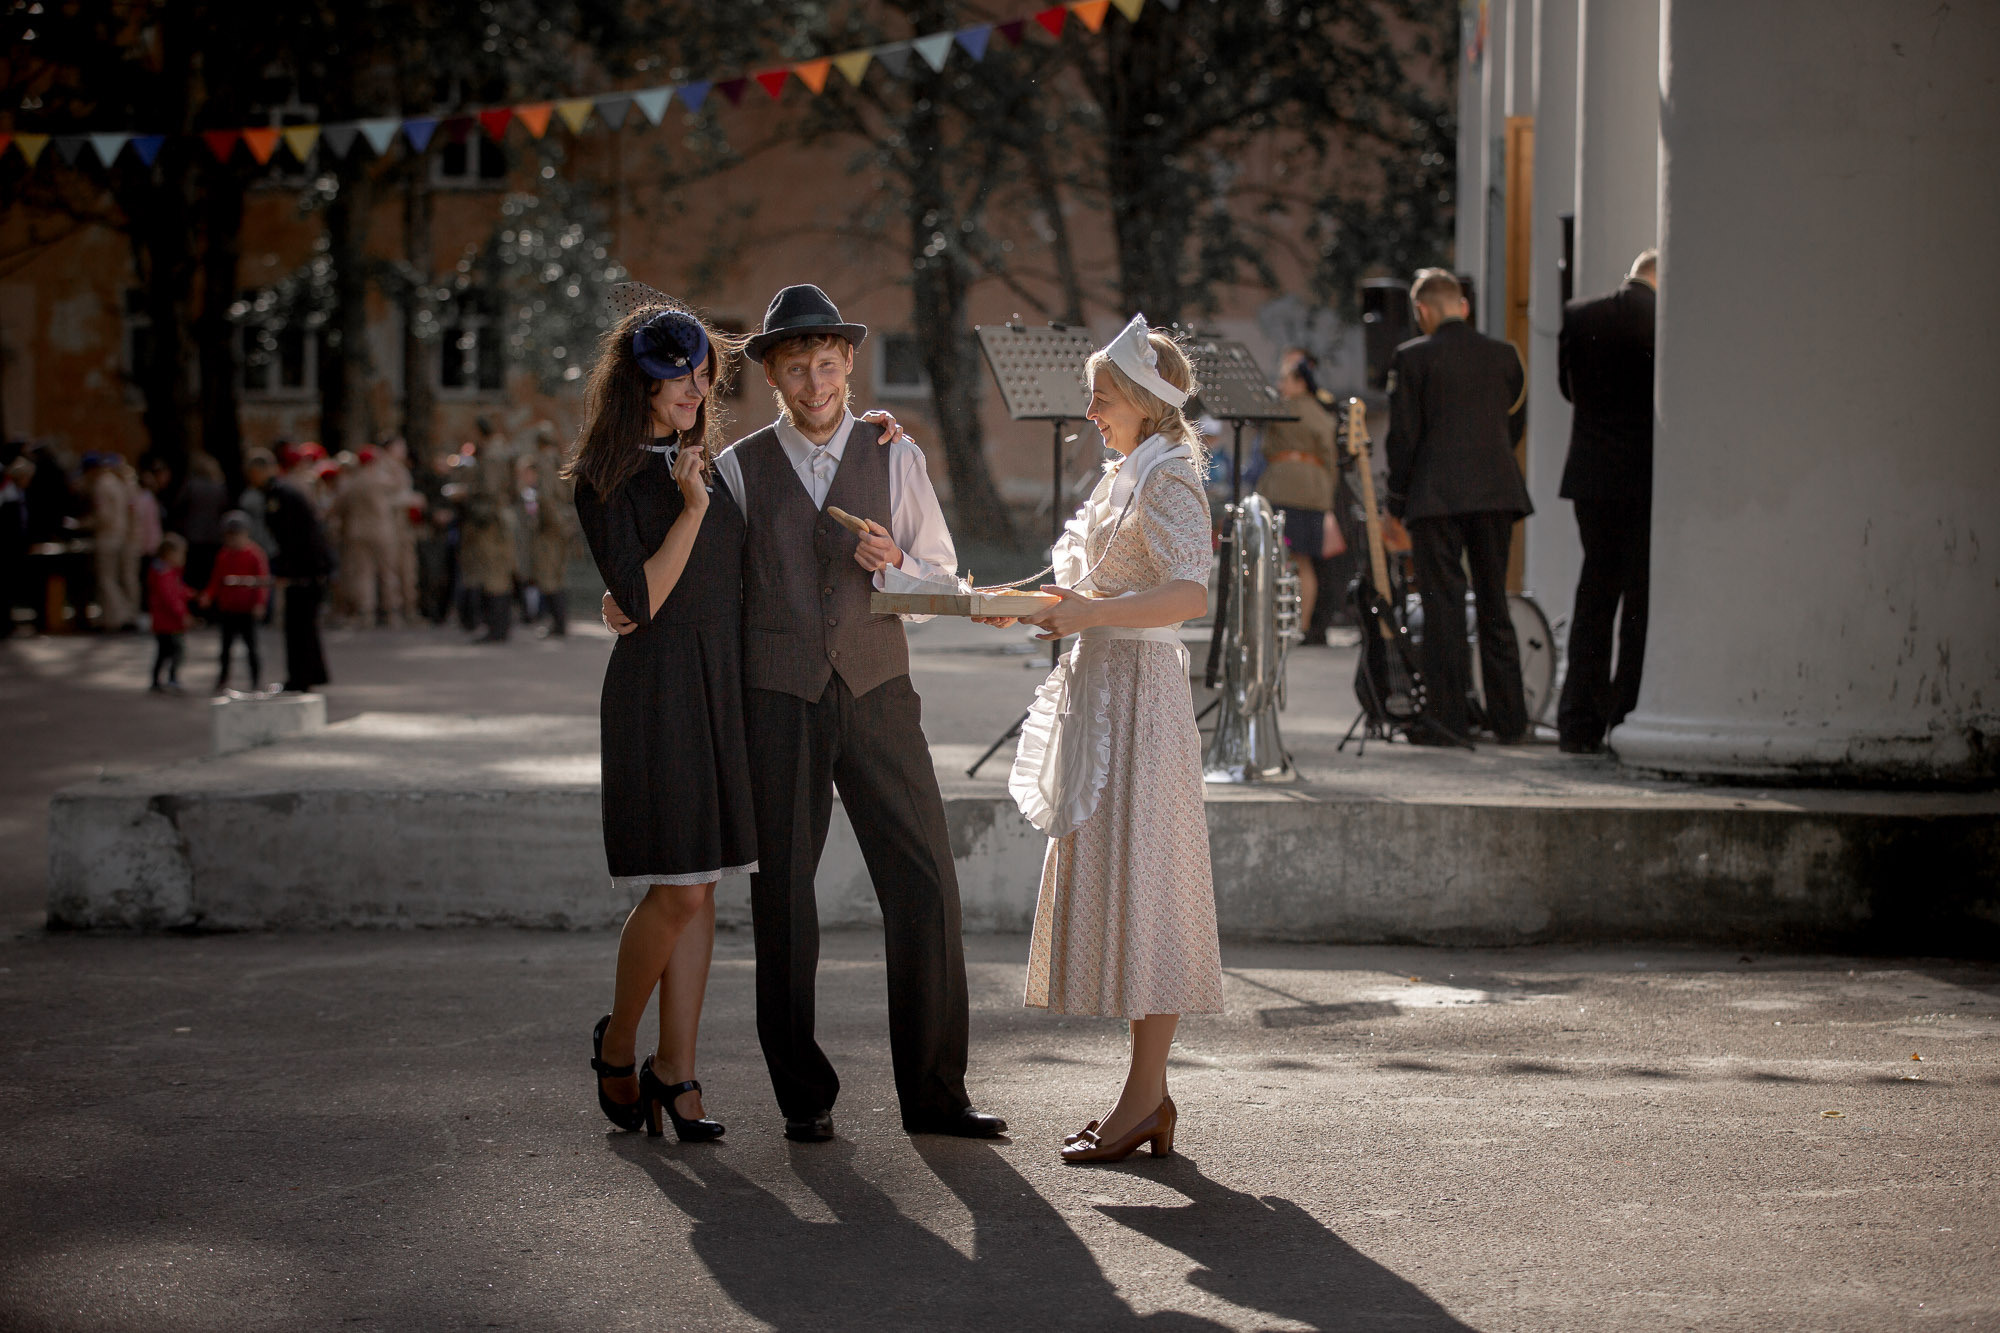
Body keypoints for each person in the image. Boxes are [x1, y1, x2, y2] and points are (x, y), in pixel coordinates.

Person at [604, 283, 1004, 1145]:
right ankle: (802, 1094)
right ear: (774, 377)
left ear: (849, 364)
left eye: (828, 363)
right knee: (785, 899)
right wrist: (620, 600)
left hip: (877, 689)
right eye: (796, 367)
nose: (816, 381)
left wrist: (896, 562)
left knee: (927, 884)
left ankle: (936, 1092)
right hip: (777, 697)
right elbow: (701, 576)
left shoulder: (895, 454)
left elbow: (937, 575)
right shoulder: (740, 467)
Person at [980, 315, 1222, 1164]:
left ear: (1148, 406)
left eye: (1103, 396)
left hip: (1143, 699)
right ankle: (1146, 1098)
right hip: (1107, 689)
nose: (1090, 410)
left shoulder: (1169, 482)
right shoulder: (1128, 475)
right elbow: (1083, 587)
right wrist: (1007, 600)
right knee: (1129, 883)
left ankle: (1143, 1099)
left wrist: (1089, 615)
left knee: (1147, 885)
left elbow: (1190, 593)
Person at [573, 303, 752, 1143]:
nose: (695, 386)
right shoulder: (604, 476)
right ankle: (618, 1042)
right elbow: (639, 602)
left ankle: (677, 1074)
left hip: (719, 685)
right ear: (638, 377)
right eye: (676, 371)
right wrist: (687, 512)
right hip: (657, 689)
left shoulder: (707, 463)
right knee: (679, 886)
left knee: (703, 883)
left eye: (703, 370)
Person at [1383, 268, 1533, 743]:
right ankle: (1510, 722)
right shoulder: (1506, 355)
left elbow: (1403, 438)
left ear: (1422, 311)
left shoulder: (1412, 358)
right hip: (1496, 493)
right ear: (1463, 306)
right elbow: (1514, 425)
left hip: (1436, 497)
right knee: (1494, 603)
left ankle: (1448, 721)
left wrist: (1396, 500)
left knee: (1443, 607)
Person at [1556, 249, 1658, 755]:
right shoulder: (1661, 320)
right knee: (1637, 601)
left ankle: (1577, 719)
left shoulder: (1580, 315)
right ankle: (1623, 713)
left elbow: (1567, 389)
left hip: (1590, 477)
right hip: (1642, 478)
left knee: (1594, 593)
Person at [1256, 353, 1342, 639]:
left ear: (1299, 382)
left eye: (1285, 379)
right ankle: (1303, 626)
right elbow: (1330, 457)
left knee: (1275, 559)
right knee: (1304, 562)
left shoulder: (1281, 410)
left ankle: (1277, 626)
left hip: (1280, 487)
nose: (1280, 385)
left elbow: (1267, 448)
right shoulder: (1321, 413)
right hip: (1314, 491)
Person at [243, 448, 332, 692]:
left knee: (298, 625)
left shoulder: (279, 495)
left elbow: (291, 537)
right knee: (305, 624)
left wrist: (285, 570)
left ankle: (300, 677)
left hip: (303, 570)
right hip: (308, 567)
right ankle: (312, 673)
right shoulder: (283, 492)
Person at [459, 421, 521, 643]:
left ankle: (497, 629)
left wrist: (468, 494)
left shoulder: (493, 454)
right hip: (499, 517)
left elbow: (492, 489)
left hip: (492, 520)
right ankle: (498, 627)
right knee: (499, 573)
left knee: (495, 574)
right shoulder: (501, 450)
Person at [202, 510, 271, 692]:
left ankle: (256, 681)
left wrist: (260, 603)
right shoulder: (224, 555)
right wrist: (208, 595)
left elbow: (262, 581)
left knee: (252, 648)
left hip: (247, 608)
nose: (233, 540)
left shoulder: (255, 554)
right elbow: (216, 579)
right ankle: (223, 679)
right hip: (228, 608)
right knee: (225, 649)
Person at [529, 422, 579, 636]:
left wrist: (547, 524)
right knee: (558, 573)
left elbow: (547, 496)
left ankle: (557, 624)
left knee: (549, 575)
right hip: (564, 521)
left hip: (552, 525)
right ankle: (559, 622)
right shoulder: (561, 459)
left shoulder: (544, 462)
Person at [83, 453, 137, 630]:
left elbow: (104, 515)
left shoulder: (102, 485)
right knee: (117, 578)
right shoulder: (117, 483)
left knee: (107, 579)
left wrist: (87, 523)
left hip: (107, 536)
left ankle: (118, 616)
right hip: (120, 535)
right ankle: (118, 615)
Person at [145, 533, 192, 693]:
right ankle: (171, 679)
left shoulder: (168, 572)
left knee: (163, 652)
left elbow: (177, 591)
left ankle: (156, 681)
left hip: (163, 621)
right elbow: (169, 598)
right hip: (169, 622)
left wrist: (191, 594)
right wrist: (182, 614)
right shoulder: (164, 573)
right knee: (176, 652)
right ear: (169, 554)